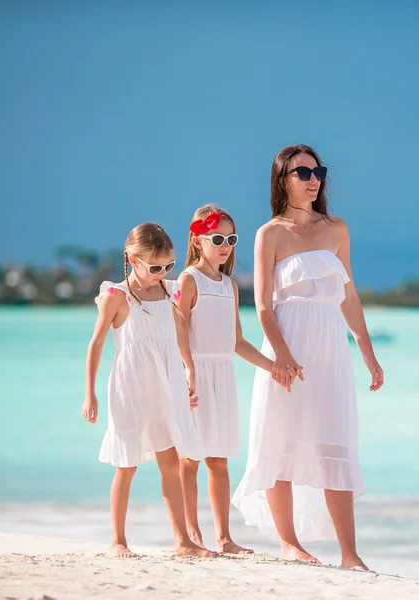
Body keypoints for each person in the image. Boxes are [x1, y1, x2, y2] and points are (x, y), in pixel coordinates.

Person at [232, 145, 384, 570]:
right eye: (303, 172)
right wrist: (281, 355)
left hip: (332, 349)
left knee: (334, 440)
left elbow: (348, 295)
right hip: (287, 342)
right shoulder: (270, 233)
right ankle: (289, 543)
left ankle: (350, 555)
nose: (313, 178)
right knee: (279, 437)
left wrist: (368, 354)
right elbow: (262, 305)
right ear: (283, 180)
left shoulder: (337, 229)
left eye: (318, 171)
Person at [82, 222, 215, 558]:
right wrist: (90, 392)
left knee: (170, 462)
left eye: (168, 266)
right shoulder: (117, 295)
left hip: (165, 386)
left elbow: (178, 337)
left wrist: (188, 372)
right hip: (130, 387)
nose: (162, 272)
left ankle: (182, 541)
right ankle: (117, 540)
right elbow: (96, 344)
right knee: (126, 465)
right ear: (132, 259)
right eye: (155, 267)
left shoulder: (170, 292)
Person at [175, 204, 294, 554]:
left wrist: (272, 366)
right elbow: (178, 326)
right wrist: (187, 369)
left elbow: (237, 341)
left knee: (219, 459)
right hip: (195, 372)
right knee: (190, 457)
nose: (225, 245)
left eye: (231, 238)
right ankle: (191, 534)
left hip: (223, 375)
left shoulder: (229, 286)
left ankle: (224, 538)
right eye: (217, 238)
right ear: (198, 241)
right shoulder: (188, 280)